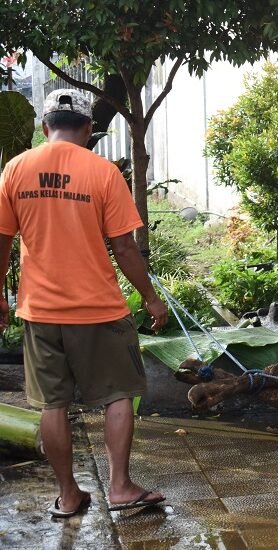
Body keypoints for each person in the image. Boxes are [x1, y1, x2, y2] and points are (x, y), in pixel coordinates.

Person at [0, 89, 170, 517]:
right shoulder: (103, 172)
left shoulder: (15, 169)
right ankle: (120, 487)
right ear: (89, 129)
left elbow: (1, 241)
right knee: (118, 395)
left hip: (40, 311)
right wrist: (151, 298)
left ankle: (69, 495)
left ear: (45, 127)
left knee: (51, 405)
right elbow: (125, 248)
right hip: (99, 309)